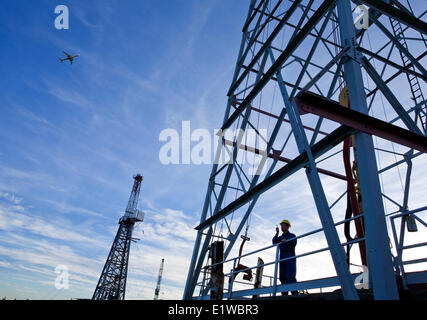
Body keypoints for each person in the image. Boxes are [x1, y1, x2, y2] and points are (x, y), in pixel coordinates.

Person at [272, 219, 298, 296]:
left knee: (290, 277)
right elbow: (274, 242)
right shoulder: (280, 237)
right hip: (282, 257)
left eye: (283, 225)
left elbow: (294, 242)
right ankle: (284, 295)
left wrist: (286, 240)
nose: (281, 227)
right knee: (282, 277)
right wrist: (276, 233)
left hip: (290, 256)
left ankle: (295, 295)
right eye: (281, 226)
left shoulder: (292, 235)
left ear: (287, 226)